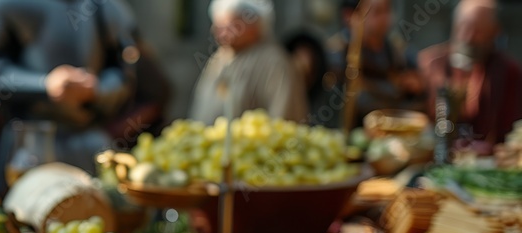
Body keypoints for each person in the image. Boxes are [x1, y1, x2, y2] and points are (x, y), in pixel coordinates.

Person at [0, 0, 137, 184]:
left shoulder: (104, 5)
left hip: (91, 145)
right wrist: (45, 85)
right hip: (27, 147)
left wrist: (97, 90)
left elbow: (126, 74)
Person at [418, 0, 522, 149]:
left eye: (477, 31)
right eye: (463, 27)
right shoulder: (430, 64)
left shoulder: (510, 74)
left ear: (495, 32)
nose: (467, 37)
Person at [190, 0, 307, 125]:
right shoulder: (220, 57)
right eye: (218, 26)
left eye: (229, 26)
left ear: (255, 24)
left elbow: (283, 119)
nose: (220, 32)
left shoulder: (273, 62)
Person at [325, 0, 424, 128]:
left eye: (387, 11)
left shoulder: (397, 53)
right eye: (377, 12)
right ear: (350, 16)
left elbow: (417, 84)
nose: (385, 18)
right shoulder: (337, 53)